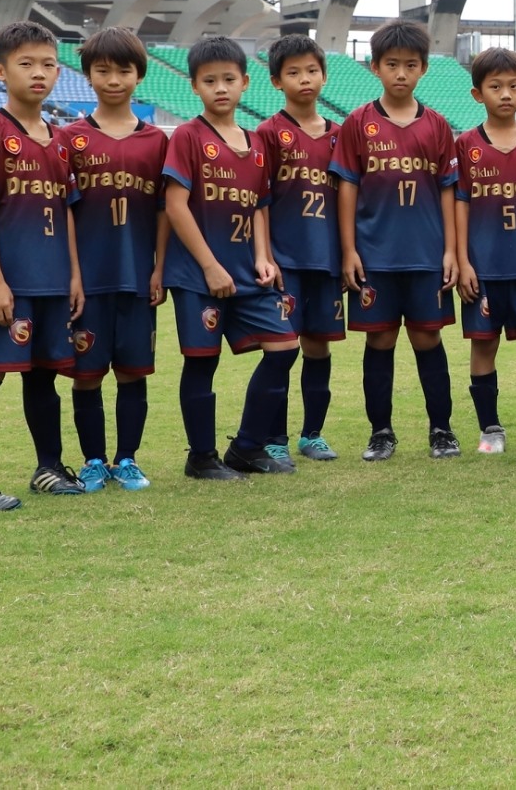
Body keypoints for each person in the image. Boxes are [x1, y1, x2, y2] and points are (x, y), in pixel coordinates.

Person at [0, 21, 86, 510]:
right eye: (26, 64)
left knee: (44, 377)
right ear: (0, 71)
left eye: (48, 64)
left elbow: (66, 212)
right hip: (9, 284)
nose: (38, 73)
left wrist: (73, 276)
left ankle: (49, 467)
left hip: (53, 284)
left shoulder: (60, 140)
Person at [162, 36, 298, 480]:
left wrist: (263, 256)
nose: (220, 88)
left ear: (245, 82)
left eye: (228, 79)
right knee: (202, 361)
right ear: (194, 86)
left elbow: (259, 204)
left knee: (284, 346)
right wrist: (209, 266)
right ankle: (201, 457)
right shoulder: (187, 136)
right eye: (209, 81)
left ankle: (246, 447)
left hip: (245, 272)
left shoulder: (256, 143)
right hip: (198, 274)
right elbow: (175, 205)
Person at [330, 19, 460, 464]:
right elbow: (347, 188)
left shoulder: (437, 125)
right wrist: (349, 249)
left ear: (423, 68)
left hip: (426, 255)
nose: (400, 73)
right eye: (391, 64)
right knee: (380, 340)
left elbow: (448, 190)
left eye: (410, 65)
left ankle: (441, 429)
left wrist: (450, 250)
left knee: (427, 339)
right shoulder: (358, 123)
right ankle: (380, 432)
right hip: (375, 256)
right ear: (374, 67)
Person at [63, 26, 169, 491]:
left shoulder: (157, 142)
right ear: (88, 75)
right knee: (86, 375)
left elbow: (166, 210)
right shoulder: (69, 138)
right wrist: (73, 274)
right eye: (102, 70)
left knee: (132, 372)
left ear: (138, 75)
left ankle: (127, 459)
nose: (113, 80)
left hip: (138, 277)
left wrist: (160, 267)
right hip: (89, 279)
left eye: (123, 71)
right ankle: (92, 460)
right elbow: (64, 211)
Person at [453, 47, 516, 456]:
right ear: (477, 94)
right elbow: (461, 204)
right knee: (483, 345)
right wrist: (463, 261)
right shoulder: (466, 145)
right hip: (482, 268)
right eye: (495, 87)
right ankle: (490, 428)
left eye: (514, 86)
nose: (506, 94)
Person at [258, 34, 345, 464]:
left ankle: (312, 435)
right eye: (293, 72)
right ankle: (274, 438)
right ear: (277, 81)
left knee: (318, 347)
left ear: (324, 76)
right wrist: (265, 254)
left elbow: (351, 200)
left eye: (311, 70)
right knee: (282, 349)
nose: (304, 79)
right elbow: (258, 199)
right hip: (285, 260)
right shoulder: (267, 133)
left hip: (326, 259)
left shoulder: (341, 136)